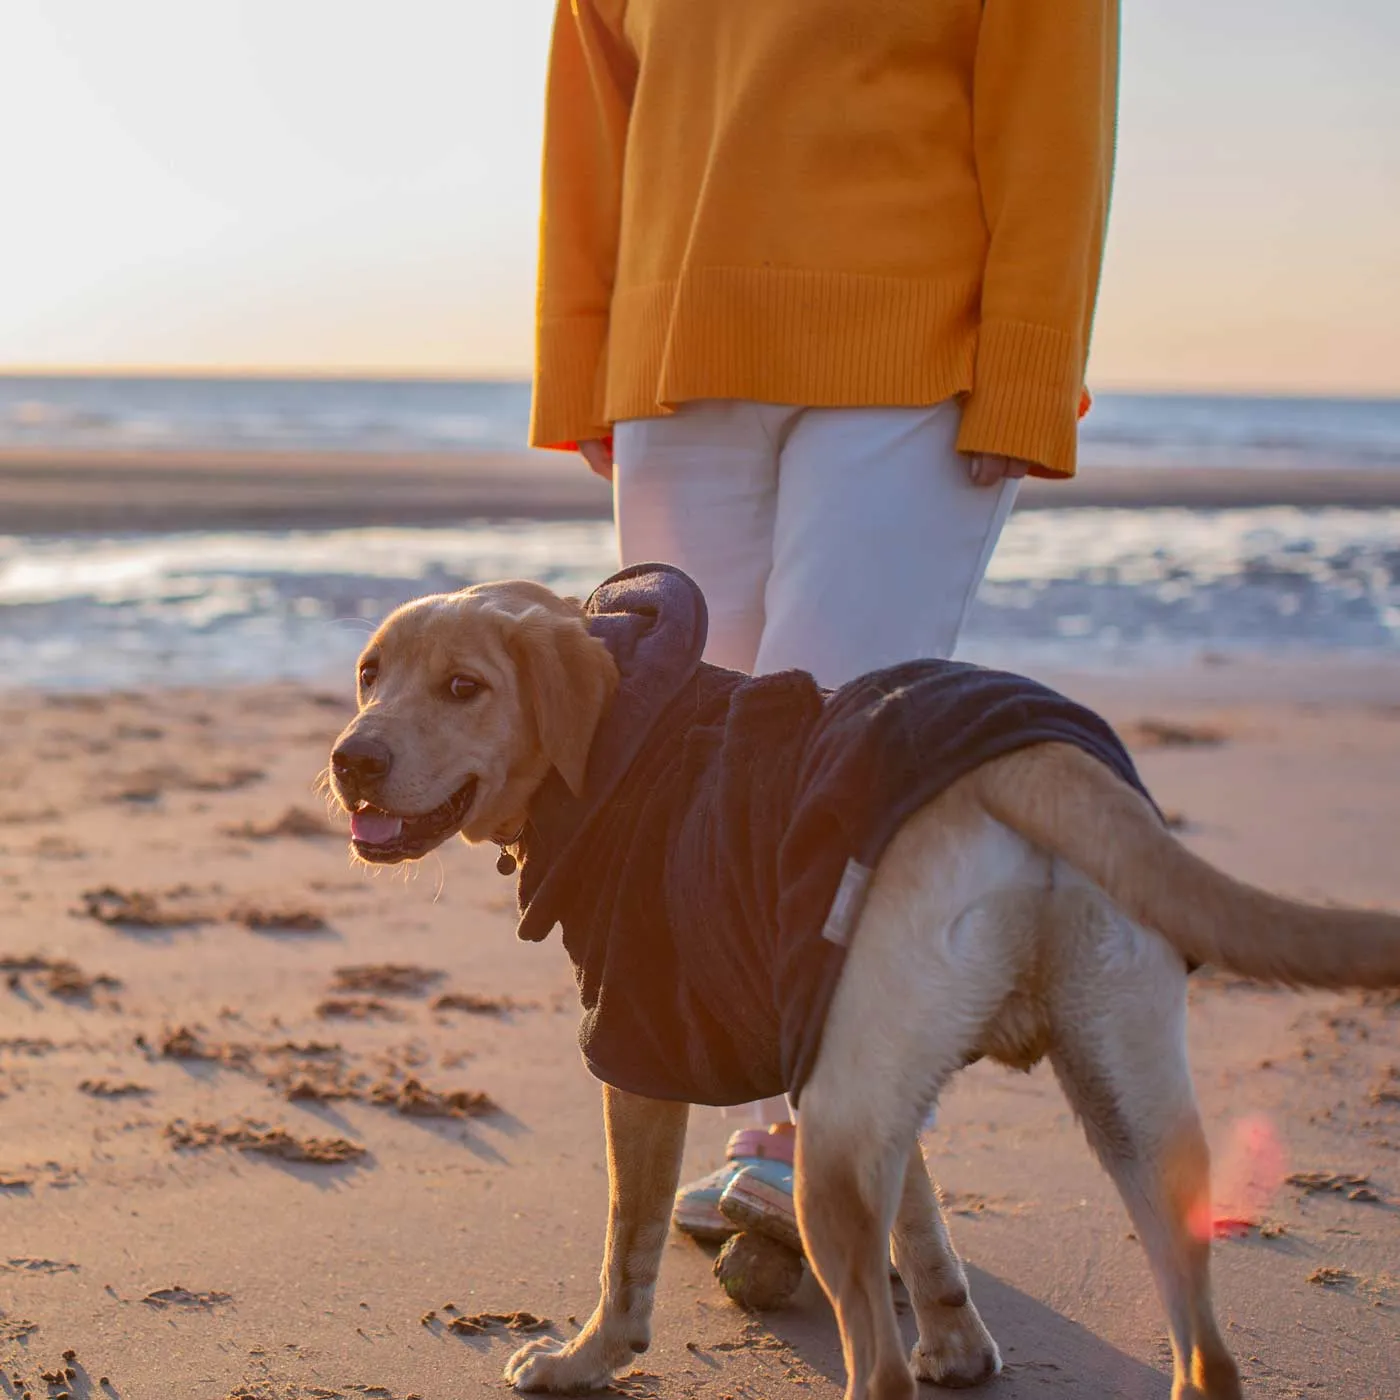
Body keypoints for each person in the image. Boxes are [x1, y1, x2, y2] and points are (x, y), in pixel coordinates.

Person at [529, 0, 1118, 1251]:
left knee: (838, 745)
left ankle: (819, 1140)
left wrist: (1026, 359)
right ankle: (749, 1096)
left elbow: (1049, 113)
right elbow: (592, 117)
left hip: (917, 338)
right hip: (673, 346)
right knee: (691, 765)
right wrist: (583, 362)